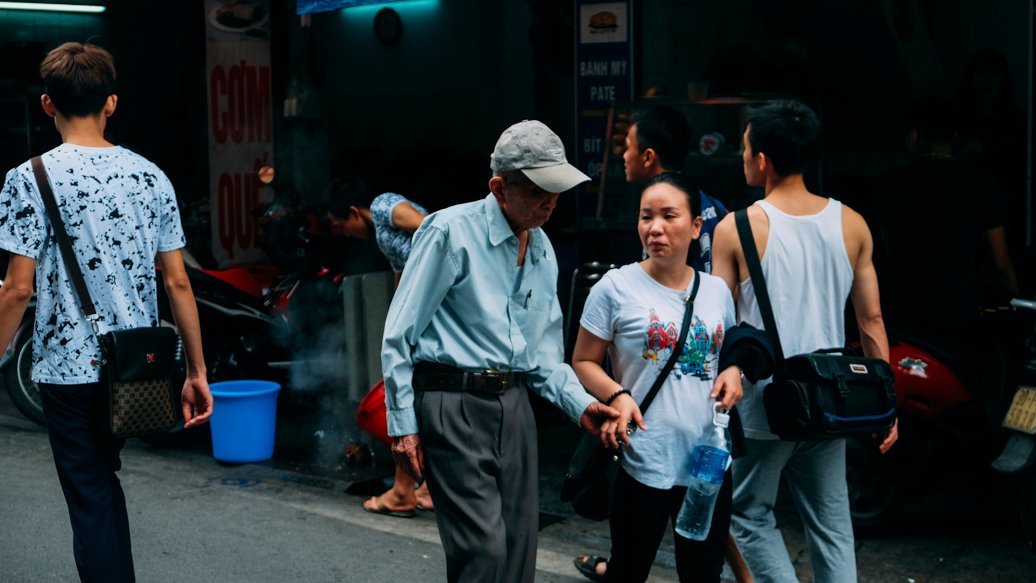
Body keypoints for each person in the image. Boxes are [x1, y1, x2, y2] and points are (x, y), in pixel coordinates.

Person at [0, 42, 212, 582]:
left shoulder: (28, 178)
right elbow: (179, 281)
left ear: (47, 104)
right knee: (103, 478)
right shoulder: (150, 177)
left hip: (67, 371)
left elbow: (16, 291)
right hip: (134, 365)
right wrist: (196, 372)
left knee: (89, 492)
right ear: (111, 103)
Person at [381, 119, 621, 583]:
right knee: (483, 553)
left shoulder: (543, 249)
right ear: (499, 186)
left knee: (517, 550)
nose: (551, 203)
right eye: (538, 191)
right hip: (453, 402)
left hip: (514, 408)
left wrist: (581, 405)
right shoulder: (449, 231)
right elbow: (399, 335)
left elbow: (543, 359)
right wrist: (403, 425)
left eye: (557, 190)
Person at [710, 100, 898, 583]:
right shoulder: (852, 223)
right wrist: (886, 405)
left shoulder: (736, 228)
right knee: (833, 526)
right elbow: (871, 320)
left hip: (762, 403)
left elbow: (719, 323)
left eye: (746, 148)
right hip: (829, 399)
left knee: (749, 515)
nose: (743, 156)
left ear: (764, 159)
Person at [576, 104, 750, 582]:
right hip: (642, 459)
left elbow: (727, 354)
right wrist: (617, 394)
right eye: (646, 217)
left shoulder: (716, 291)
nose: (655, 228)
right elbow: (582, 361)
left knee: (702, 574)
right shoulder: (614, 288)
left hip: (707, 462)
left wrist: (734, 372)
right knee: (629, 570)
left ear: (696, 226)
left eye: (669, 216)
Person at [320, 177, 435, 515]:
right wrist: (397, 323)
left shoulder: (385, 205)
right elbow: (401, 273)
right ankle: (425, 487)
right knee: (421, 392)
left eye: (343, 225)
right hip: (427, 307)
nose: (345, 233)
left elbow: (430, 230)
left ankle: (403, 491)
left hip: (437, 303)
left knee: (409, 390)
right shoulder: (385, 240)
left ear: (355, 212)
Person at [876, 96, 1018, 351]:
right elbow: (999, 263)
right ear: (954, 135)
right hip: (961, 314)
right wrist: (1016, 298)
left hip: (904, 317)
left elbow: (887, 252)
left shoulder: (890, 184)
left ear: (914, 134)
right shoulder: (980, 182)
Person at [622, 104, 728, 272]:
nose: (624, 155)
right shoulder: (716, 207)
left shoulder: (656, 218)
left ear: (648, 157)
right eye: (646, 217)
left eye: (628, 147)